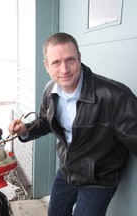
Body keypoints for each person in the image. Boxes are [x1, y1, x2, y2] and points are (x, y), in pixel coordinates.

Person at [8, 32, 137, 216]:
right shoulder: (50, 89)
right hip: (67, 169)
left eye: (70, 60)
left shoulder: (116, 96)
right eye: (56, 62)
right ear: (46, 66)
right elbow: (45, 122)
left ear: (79, 58)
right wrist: (25, 129)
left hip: (99, 178)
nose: (64, 69)